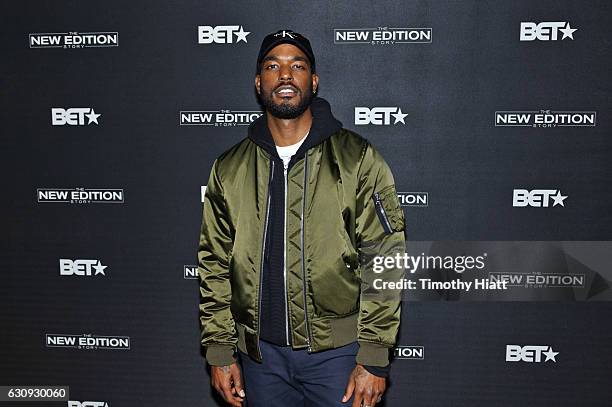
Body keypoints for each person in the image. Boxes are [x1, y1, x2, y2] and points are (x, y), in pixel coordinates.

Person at [198, 29, 406, 407]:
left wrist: (374, 357)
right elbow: (214, 264)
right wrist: (220, 350)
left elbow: (384, 257)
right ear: (259, 82)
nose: (285, 75)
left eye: (297, 65)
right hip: (261, 361)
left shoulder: (358, 159)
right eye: (273, 66)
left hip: (338, 356)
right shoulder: (229, 168)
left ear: (313, 80)